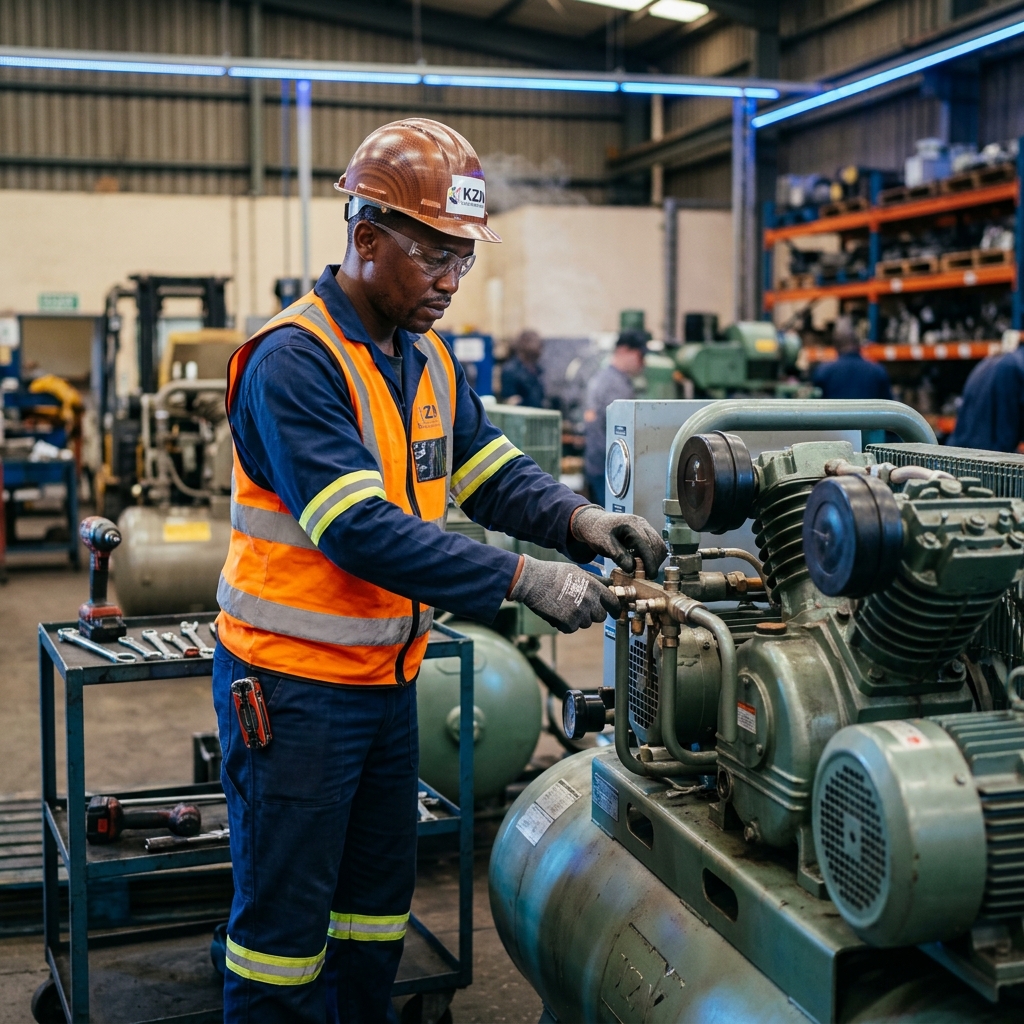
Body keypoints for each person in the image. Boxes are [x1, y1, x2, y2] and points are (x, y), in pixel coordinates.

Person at [212, 118, 667, 1024]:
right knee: (282, 941)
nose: (452, 283)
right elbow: (360, 531)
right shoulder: (294, 362)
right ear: (367, 238)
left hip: (385, 687)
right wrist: (521, 582)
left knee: (374, 914)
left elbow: (490, 472)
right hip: (292, 695)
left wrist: (579, 520)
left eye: (463, 259)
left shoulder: (427, 359)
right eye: (433, 258)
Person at [583, 330, 647, 506]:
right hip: (610, 471)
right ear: (624, 350)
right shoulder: (615, 385)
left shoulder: (605, 378)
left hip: (601, 467)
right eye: (640, 356)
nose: (643, 363)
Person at [950, 343, 1024, 451]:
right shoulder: (1012, 368)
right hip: (988, 454)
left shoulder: (993, 362)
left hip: (961, 451)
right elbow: (1005, 434)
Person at [811, 316, 892, 400]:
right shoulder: (878, 371)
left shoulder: (823, 372)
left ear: (836, 344)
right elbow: (890, 407)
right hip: (868, 413)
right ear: (858, 343)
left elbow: (816, 406)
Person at [500, 329, 545, 407]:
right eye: (535, 342)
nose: (540, 347)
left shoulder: (537, 369)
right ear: (524, 343)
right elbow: (510, 401)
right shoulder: (510, 370)